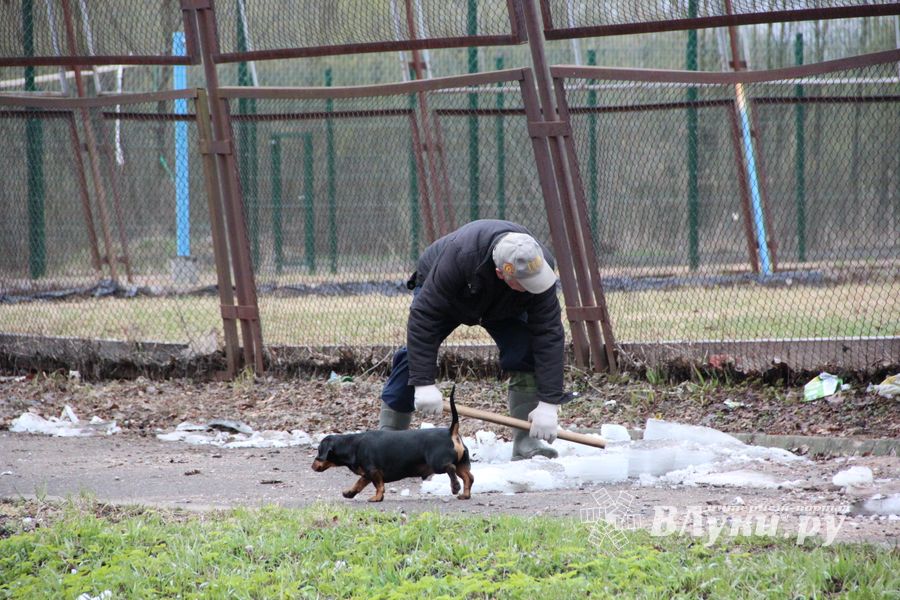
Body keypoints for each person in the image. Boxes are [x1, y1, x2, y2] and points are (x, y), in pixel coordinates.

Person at [379, 219, 568, 460]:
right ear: (501, 273)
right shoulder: (460, 256)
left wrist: (549, 403)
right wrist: (423, 383)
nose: (534, 287)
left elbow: (549, 334)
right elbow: (423, 319)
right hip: (451, 294)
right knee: (414, 358)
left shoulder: (538, 266)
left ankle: (526, 442)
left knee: (526, 350)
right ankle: (388, 441)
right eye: (525, 283)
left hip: (504, 305)